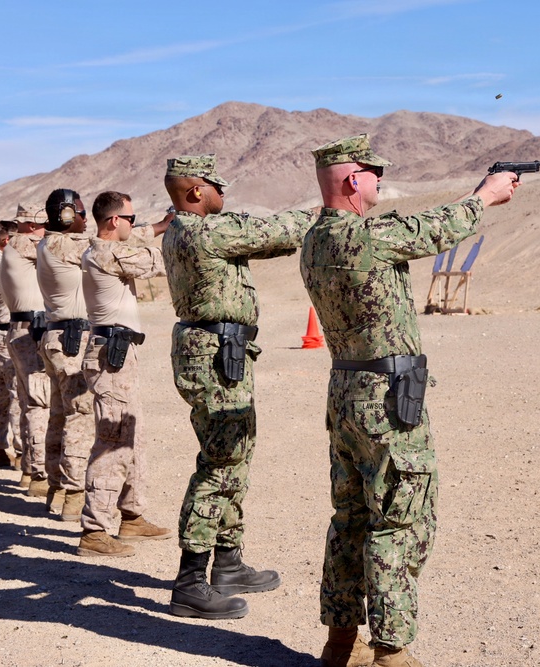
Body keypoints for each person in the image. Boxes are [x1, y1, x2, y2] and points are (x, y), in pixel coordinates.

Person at [299, 134, 518, 667]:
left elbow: (418, 230)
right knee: (400, 520)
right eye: (373, 172)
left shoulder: (314, 241)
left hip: (347, 392)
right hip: (389, 398)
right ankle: (392, 653)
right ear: (354, 180)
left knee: (349, 518)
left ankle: (339, 645)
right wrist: (486, 196)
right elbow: (434, 230)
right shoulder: (368, 237)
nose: (379, 180)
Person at [161, 154, 318, 619]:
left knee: (235, 455)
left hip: (222, 353)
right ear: (194, 191)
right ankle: (190, 580)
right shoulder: (204, 231)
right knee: (220, 463)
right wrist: (316, 212)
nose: (223, 194)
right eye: (215, 187)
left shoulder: (182, 229)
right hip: (217, 356)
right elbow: (278, 234)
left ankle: (227, 562)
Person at [75, 191, 174, 558]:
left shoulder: (107, 248)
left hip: (120, 353)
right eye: (130, 219)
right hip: (110, 356)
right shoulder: (106, 253)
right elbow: (152, 261)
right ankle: (94, 530)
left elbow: (140, 236)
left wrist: (163, 224)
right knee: (113, 442)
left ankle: (130, 515)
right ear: (114, 221)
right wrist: (175, 233)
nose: (135, 224)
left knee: (133, 435)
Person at [36, 188, 94, 521]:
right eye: (81, 213)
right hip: (71, 340)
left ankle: (57, 490)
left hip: (59, 337)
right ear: (67, 214)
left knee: (59, 416)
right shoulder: (61, 244)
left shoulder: (49, 244)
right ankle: (74, 494)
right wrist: (157, 228)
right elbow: (107, 245)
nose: (85, 220)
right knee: (79, 417)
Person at [2, 202, 52, 496]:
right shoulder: (24, 244)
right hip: (31, 332)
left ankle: (29, 470)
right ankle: (40, 475)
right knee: (39, 403)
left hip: (23, 330)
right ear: (33, 225)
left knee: (29, 402)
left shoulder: (14, 245)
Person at [0, 220, 22, 469]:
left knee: (1, 395)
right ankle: (23, 455)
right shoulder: (1, 263)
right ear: (7, 240)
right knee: (18, 395)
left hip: (0, 333)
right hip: (7, 334)